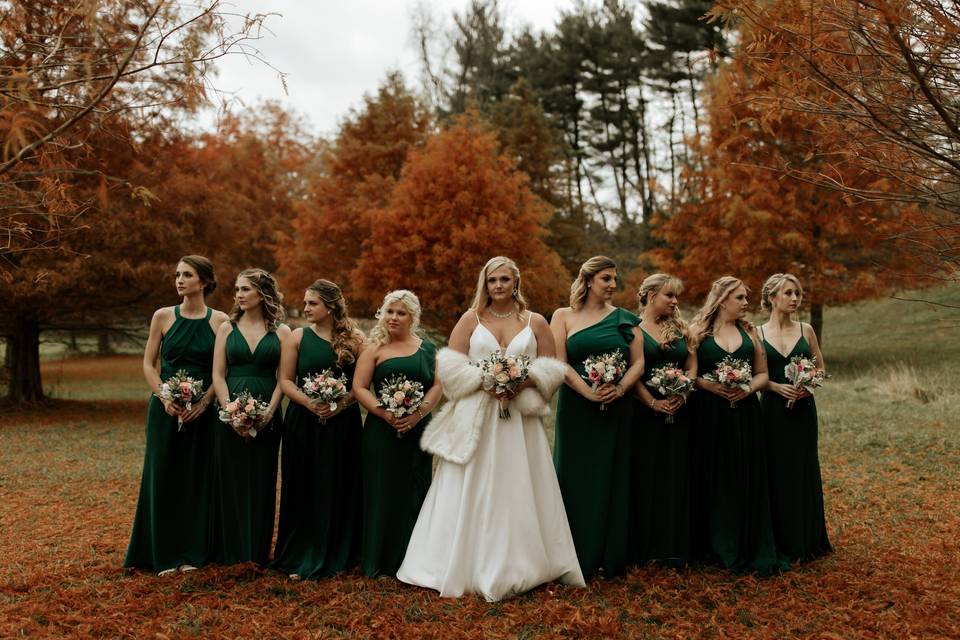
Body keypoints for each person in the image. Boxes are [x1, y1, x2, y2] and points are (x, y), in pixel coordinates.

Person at [398, 257, 585, 601]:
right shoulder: (471, 319)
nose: (498, 286)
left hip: (519, 419)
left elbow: (553, 367)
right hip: (478, 415)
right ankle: (459, 561)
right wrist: (485, 380)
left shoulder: (536, 321)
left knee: (519, 483)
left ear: (516, 282)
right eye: (492, 280)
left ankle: (524, 562)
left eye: (504, 280)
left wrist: (523, 379)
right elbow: (450, 367)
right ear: (484, 285)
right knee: (472, 481)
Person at [125, 255, 229, 575]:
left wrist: (206, 402)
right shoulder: (162, 317)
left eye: (187, 275)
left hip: (203, 413)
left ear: (205, 282)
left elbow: (221, 370)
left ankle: (195, 552)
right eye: (177, 275)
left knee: (198, 480)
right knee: (163, 477)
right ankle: (162, 554)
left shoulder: (220, 321)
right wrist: (164, 397)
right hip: (165, 411)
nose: (179, 280)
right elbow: (147, 364)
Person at [550, 256, 645, 579]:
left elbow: (638, 364)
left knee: (612, 474)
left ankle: (611, 554)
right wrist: (588, 393)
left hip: (616, 408)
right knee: (574, 474)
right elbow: (559, 363)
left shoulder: (625, 319)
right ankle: (572, 554)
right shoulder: (563, 316)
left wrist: (619, 389)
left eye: (614, 279)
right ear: (589, 280)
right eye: (606, 279)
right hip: (576, 408)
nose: (613, 285)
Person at [690, 276, 786, 574]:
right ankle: (713, 544)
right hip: (709, 415)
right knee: (714, 475)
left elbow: (762, 374)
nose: (746, 304)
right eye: (740, 298)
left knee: (744, 474)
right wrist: (710, 385)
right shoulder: (697, 333)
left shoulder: (749, 332)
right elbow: (689, 375)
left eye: (746, 298)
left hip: (745, 415)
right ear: (722, 300)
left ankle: (747, 541)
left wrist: (747, 389)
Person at [271, 279, 366, 579]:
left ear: (331, 306)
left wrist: (339, 403)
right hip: (303, 421)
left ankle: (337, 551)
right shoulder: (297, 337)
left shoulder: (356, 340)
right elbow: (285, 380)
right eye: (306, 302)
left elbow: (361, 386)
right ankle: (299, 552)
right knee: (302, 484)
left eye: (312, 303)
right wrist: (311, 403)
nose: (306, 307)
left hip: (343, 425)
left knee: (337, 484)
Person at [353, 290, 442, 578]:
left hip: (418, 431)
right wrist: (384, 412)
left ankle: (414, 560)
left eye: (401, 312)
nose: (394, 317)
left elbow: (437, 386)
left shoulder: (427, 349)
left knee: (415, 488)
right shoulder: (374, 348)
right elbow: (360, 387)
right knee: (382, 490)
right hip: (381, 432)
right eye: (389, 311)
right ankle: (378, 559)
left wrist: (416, 415)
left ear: (412, 317)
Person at [210, 268, 290, 566]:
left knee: (262, 480)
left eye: (245, 290)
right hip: (229, 414)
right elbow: (218, 374)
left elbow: (284, 378)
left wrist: (269, 411)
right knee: (229, 479)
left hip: (268, 415)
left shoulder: (281, 332)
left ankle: (256, 553)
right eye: (237, 290)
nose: (239, 295)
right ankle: (229, 551)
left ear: (261, 294)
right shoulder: (227, 329)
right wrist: (229, 410)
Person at [759, 273, 832, 562]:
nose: (794, 298)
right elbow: (755, 377)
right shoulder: (757, 333)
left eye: (797, 293)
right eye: (788, 293)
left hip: (803, 411)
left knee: (802, 469)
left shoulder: (806, 330)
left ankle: (806, 538)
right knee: (775, 470)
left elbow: (821, 369)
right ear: (772, 298)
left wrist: (807, 385)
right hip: (772, 412)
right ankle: (778, 539)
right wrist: (776, 386)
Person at [630, 273, 695, 567]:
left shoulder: (681, 328)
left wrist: (683, 393)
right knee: (648, 474)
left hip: (681, 412)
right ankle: (647, 545)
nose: (675, 301)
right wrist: (653, 402)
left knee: (679, 472)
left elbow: (692, 364)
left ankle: (677, 544)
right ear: (651, 295)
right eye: (669, 295)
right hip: (644, 415)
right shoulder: (632, 330)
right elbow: (631, 373)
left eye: (676, 296)